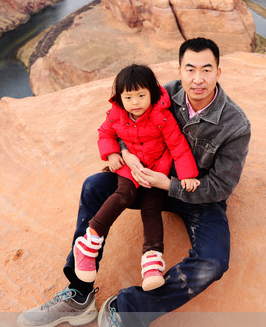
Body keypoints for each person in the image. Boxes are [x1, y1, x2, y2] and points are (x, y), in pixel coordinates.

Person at [17, 37, 251, 327]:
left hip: (196, 195)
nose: (198, 79)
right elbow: (118, 124)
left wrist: (169, 184)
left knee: (213, 261)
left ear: (218, 71)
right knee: (93, 187)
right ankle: (79, 294)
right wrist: (126, 155)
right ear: (179, 70)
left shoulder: (236, 125)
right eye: (190, 69)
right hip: (144, 181)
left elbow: (221, 187)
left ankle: (129, 308)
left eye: (207, 69)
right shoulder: (159, 94)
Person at [74, 64, 200, 292]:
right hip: (130, 170)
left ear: (152, 92)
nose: (135, 102)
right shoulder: (116, 115)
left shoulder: (161, 116)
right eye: (128, 97)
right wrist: (113, 153)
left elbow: (178, 145)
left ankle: (152, 261)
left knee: (151, 207)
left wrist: (188, 175)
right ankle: (89, 242)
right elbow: (105, 133)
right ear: (120, 98)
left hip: (157, 171)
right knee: (124, 195)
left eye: (141, 95)